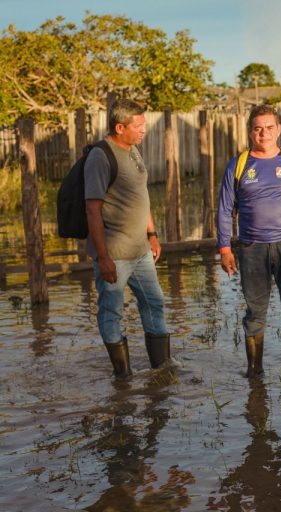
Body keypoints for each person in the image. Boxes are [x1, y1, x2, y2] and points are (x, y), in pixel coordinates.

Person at [216, 104, 281, 378]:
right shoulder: (238, 165)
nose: (264, 134)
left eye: (269, 128)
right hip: (251, 249)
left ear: (279, 130)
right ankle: (254, 373)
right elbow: (225, 208)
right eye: (258, 129)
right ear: (250, 132)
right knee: (254, 313)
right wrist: (225, 249)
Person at [84, 99, 170, 378]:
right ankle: (123, 374)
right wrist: (103, 256)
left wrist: (152, 234)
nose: (144, 130)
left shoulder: (133, 150)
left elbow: (140, 196)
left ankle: (162, 367)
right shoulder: (101, 156)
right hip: (115, 253)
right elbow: (92, 208)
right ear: (119, 127)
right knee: (111, 310)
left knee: (154, 301)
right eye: (138, 126)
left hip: (141, 249)